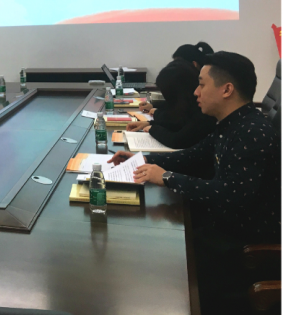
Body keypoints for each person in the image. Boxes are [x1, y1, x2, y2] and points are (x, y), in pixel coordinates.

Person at [109, 52, 280, 313]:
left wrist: (167, 178)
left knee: (157, 259)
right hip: (222, 226)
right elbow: (192, 156)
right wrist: (141, 159)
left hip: (243, 243)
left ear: (227, 90)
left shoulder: (252, 132)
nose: (195, 92)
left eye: (201, 84)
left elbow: (232, 194)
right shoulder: (231, 123)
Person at [126, 60, 216, 149]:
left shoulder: (204, 111)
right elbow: (178, 124)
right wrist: (149, 123)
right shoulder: (190, 104)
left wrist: (152, 129)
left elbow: (177, 140)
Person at [139, 41, 214, 113]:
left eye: (178, 62)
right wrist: (154, 106)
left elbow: (181, 113)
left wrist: (157, 114)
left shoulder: (194, 86)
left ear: (194, 64)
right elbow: (175, 104)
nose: (175, 64)